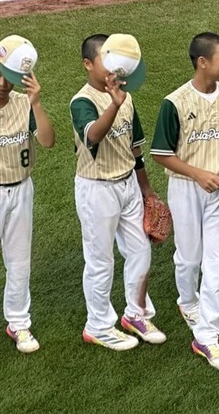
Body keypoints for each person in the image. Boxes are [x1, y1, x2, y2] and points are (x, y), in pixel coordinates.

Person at [151, 32, 219, 371]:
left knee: (217, 263)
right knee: (189, 259)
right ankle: (187, 300)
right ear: (202, 62)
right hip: (186, 188)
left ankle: (207, 336)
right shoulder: (174, 102)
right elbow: (161, 153)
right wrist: (196, 174)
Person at [70, 34, 165, 351]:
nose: (114, 69)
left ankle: (136, 315)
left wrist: (147, 190)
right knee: (99, 261)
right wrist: (114, 103)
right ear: (88, 64)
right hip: (96, 190)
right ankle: (97, 326)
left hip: (127, 186)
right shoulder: (81, 101)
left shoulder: (126, 98)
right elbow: (93, 135)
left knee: (140, 251)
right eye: (105, 61)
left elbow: (134, 148)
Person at [0, 36, 55, 353]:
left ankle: (19, 323)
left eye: (10, 79)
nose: (5, 86)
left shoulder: (24, 103)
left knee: (19, 263)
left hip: (21, 189)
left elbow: (47, 141)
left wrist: (36, 102)